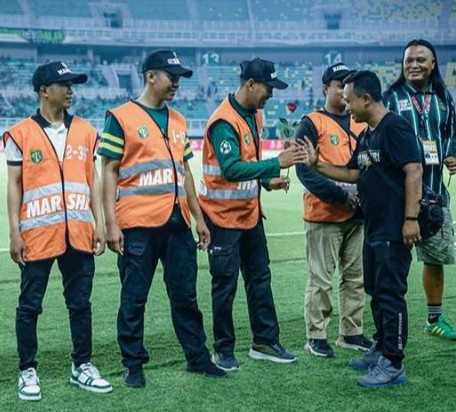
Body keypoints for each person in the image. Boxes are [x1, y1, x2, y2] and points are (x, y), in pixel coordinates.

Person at [100, 50, 225, 388]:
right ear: (151, 76)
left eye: (180, 78)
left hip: (177, 224)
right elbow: (108, 171)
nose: (177, 84)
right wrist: (110, 223)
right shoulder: (121, 117)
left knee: (185, 295)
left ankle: (197, 357)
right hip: (136, 225)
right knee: (134, 297)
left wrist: (198, 218)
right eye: (172, 77)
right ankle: (133, 363)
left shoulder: (180, 121)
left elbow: (185, 173)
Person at [299, 70, 423, 388]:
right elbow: (352, 173)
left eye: (350, 98)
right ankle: (381, 348)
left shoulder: (395, 127)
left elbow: (414, 171)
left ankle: (393, 364)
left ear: (366, 98)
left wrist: (410, 220)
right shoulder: (368, 133)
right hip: (373, 225)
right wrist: (316, 164)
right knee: (375, 292)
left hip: (395, 227)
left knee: (391, 295)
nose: (346, 104)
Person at [4, 61, 112, 401]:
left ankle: (82, 365)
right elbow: (14, 186)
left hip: (79, 233)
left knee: (80, 303)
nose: (70, 90)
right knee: (29, 306)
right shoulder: (20, 133)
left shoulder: (85, 130)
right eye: (63, 84)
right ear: (43, 90)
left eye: (72, 84)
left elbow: (92, 179)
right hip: (37, 234)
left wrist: (101, 223)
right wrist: (14, 232)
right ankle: (27, 370)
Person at [199, 58, 304, 371]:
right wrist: (276, 163)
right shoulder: (223, 122)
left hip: (250, 214)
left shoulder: (255, 115)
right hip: (222, 218)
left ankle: (265, 341)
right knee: (225, 284)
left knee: (260, 279)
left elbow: (247, 162)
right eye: (268, 88)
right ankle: (223, 349)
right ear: (250, 85)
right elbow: (230, 169)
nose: (271, 94)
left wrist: (265, 181)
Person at [384, 39, 456, 341]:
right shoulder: (390, 98)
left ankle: (434, 318)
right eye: (408, 60)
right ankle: (389, 323)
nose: (414, 65)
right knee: (393, 263)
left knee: (434, 259)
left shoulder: (443, 97)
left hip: (434, 194)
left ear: (433, 64)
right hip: (398, 197)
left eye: (420, 60)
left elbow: (452, 133)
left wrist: (451, 155)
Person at [295, 63, 371, 358]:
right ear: (325, 88)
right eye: (339, 84)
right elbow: (305, 170)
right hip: (324, 215)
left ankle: (351, 333)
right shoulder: (311, 123)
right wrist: (341, 196)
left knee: (356, 278)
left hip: (359, 216)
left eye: (348, 85)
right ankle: (316, 335)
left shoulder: (362, 122)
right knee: (321, 280)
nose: (343, 90)